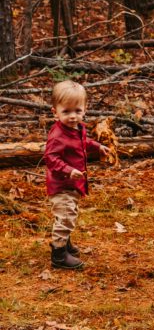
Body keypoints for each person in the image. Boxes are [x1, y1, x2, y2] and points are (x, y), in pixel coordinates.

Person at [44, 80, 109, 270]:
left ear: (85, 109)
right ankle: (58, 255)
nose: (73, 116)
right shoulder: (57, 135)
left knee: (69, 212)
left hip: (73, 183)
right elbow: (50, 158)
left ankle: (65, 243)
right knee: (65, 215)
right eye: (66, 112)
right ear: (55, 112)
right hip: (61, 184)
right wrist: (68, 170)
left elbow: (83, 142)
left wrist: (97, 147)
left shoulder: (77, 128)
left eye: (77, 111)